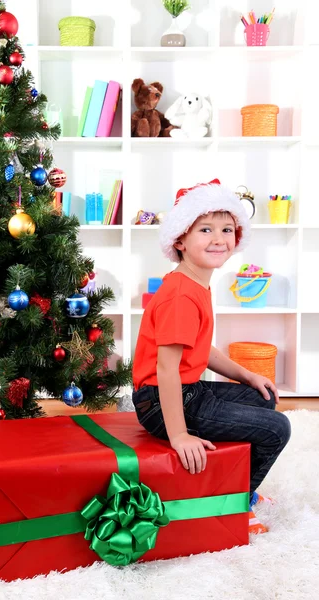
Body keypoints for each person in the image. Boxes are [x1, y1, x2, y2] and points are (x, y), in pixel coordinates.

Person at [132, 179, 291, 535]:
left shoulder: (196, 282)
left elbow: (201, 352)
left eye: (226, 229)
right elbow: (167, 368)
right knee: (278, 428)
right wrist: (179, 436)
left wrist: (246, 375)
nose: (219, 238)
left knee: (261, 397)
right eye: (205, 229)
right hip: (160, 400)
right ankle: (234, 501)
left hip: (188, 389)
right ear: (180, 241)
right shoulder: (181, 297)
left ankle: (231, 479)